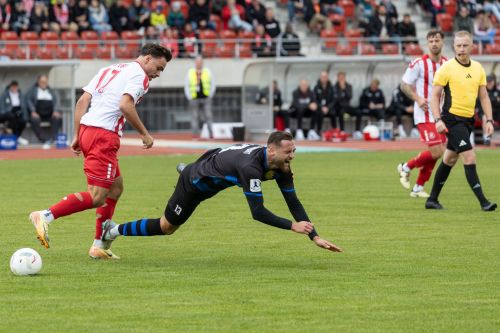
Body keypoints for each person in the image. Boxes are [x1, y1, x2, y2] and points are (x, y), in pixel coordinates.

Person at [28, 44, 173, 259]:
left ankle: (99, 245)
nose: (158, 74)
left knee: (116, 188)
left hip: (88, 130)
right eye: (159, 68)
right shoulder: (140, 76)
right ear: (148, 59)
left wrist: (77, 135)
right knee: (97, 197)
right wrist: (144, 133)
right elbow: (125, 105)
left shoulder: (110, 69)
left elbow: (82, 101)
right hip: (103, 136)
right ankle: (45, 215)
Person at [100, 131, 342, 254]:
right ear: (271, 151)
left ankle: (190, 168)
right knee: (167, 227)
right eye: (288, 152)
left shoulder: (282, 167)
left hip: (215, 162)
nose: (292, 156)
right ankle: (112, 229)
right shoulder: (251, 168)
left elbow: (294, 202)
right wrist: (293, 226)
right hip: (195, 185)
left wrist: (314, 236)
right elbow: (257, 212)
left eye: (294, 151)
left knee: (221, 174)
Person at [425, 30, 496, 211]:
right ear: (453, 46)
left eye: (465, 45)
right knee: (470, 156)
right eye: (458, 45)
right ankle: (484, 202)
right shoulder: (446, 68)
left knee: (449, 159)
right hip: (451, 120)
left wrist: (489, 120)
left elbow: (484, 97)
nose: (461, 49)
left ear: (472, 46)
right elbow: (434, 97)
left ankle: (432, 200)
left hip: (468, 121)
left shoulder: (478, 68)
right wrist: (438, 120)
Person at [397, 29, 447, 198]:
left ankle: (418, 188)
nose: (434, 43)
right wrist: (418, 98)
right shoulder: (418, 63)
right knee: (437, 152)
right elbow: (404, 84)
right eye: (431, 41)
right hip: (424, 114)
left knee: (437, 153)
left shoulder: (448, 64)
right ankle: (406, 166)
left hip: (441, 115)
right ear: (427, 43)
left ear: (442, 42)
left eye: (437, 40)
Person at [25, 75, 63, 148]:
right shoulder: (33, 90)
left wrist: (55, 111)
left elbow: (56, 101)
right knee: (34, 119)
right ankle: (44, 140)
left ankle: (53, 138)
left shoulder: (51, 91)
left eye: (45, 82)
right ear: (38, 82)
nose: (44, 83)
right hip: (38, 113)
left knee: (57, 118)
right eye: (42, 82)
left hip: (49, 113)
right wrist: (33, 111)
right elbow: (28, 100)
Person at [184, 56, 215, 139]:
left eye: (200, 62)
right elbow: (186, 85)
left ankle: (211, 135)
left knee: (208, 116)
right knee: (195, 117)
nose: (199, 63)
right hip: (194, 98)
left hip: (206, 98)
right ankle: (195, 135)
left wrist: (210, 95)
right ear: (195, 63)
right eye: (197, 62)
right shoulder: (190, 72)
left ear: (202, 63)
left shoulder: (208, 71)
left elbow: (213, 84)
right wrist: (189, 96)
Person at [0, 81, 29, 145]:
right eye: (13, 86)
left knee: (23, 121)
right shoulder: (4, 94)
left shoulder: (21, 95)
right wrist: (8, 110)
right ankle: (15, 137)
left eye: (15, 87)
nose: (14, 88)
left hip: (18, 113)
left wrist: (25, 116)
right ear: (10, 87)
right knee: (11, 117)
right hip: (7, 113)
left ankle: (16, 137)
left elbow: (23, 107)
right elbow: (2, 107)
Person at [477, 74, 499, 146]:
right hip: (484, 113)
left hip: (496, 114)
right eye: (488, 81)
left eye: (491, 81)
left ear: (493, 82)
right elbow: (480, 103)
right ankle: (487, 138)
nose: (489, 83)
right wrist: (495, 100)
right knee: (485, 117)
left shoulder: (497, 91)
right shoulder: (483, 91)